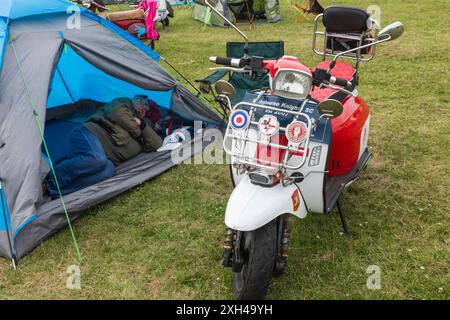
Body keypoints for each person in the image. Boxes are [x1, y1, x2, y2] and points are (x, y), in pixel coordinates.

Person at [48, 96, 163, 196]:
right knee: (97, 159)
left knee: (107, 173)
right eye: (142, 102)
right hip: (87, 134)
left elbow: (157, 144)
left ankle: (55, 191)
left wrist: (142, 125)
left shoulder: (143, 127)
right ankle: (50, 179)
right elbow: (117, 113)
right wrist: (138, 133)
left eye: (147, 108)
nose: (144, 106)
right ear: (135, 100)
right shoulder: (125, 102)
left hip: (105, 158)